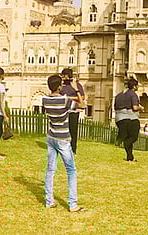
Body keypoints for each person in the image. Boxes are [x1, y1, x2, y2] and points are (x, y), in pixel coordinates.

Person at [42, 74, 85, 212]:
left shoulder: (45, 99)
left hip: (51, 137)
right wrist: (76, 89)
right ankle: (73, 204)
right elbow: (82, 105)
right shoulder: (64, 100)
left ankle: (49, 201)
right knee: (71, 170)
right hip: (63, 139)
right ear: (59, 86)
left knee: (50, 169)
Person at [113, 77, 142, 162]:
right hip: (130, 118)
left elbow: (115, 107)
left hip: (119, 118)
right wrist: (141, 108)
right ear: (134, 87)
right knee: (133, 137)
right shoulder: (133, 94)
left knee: (128, 137)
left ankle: (130, 157)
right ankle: (120, 139)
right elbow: (135, 107)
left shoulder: (119, 95)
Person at [59, 68, 85, 154]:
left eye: (65, 76)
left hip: (74, 111)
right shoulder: (61, 86)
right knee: (64, 130)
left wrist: (69, 98)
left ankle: (73, 149)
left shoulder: (77, 85)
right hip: (64, 111)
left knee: (73, 131)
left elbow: (82, 97)